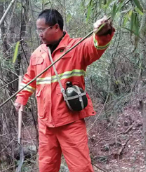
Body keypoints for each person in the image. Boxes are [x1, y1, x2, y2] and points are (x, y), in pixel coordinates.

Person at [14, 9, 115, 172]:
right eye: (37, 30)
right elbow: (29, 80)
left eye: (42, 29)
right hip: (46, 125)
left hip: (71, 122)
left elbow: (96, 45)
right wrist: (21, 98)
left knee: (81, 168)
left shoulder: (76, 47)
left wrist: (103, 31)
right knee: (46, 168)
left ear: (55, 27)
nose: (39, 34)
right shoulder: (37, 54)